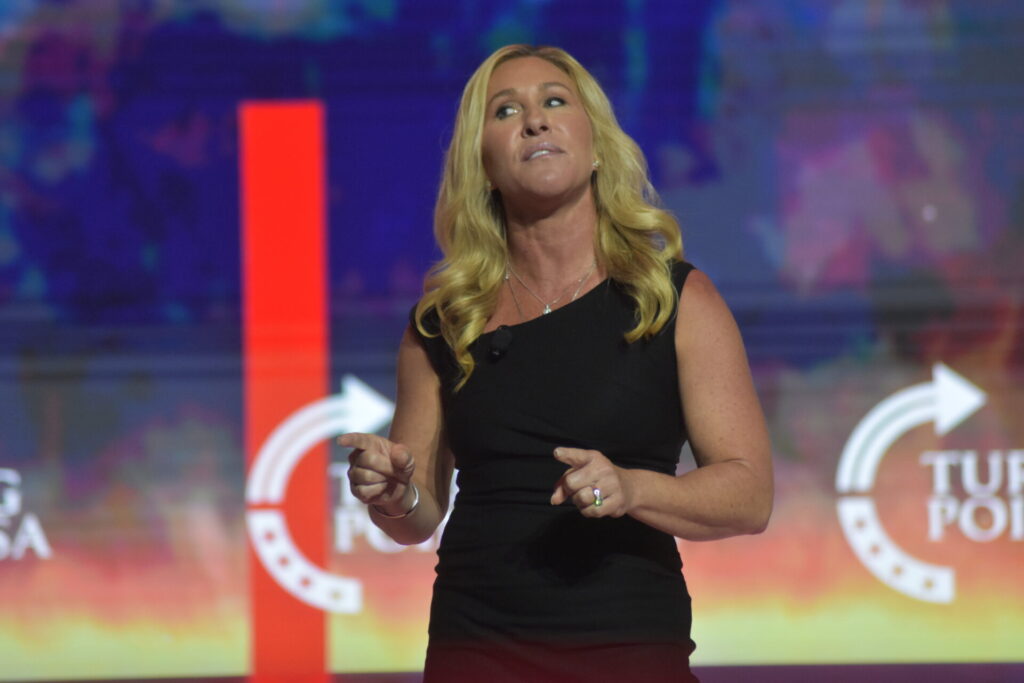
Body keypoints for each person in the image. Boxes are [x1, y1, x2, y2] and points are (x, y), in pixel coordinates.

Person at [340, 44, 773, 682]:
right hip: (477, 649)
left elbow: (750, 495)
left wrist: (633, 488)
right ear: (481, 164)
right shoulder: (443, 322)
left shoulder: (672, 299)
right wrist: (396, 493)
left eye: (554, 101)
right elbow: (418, 514)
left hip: (627, 650)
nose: (534, 120)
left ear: (595, 144)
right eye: (506, 110)